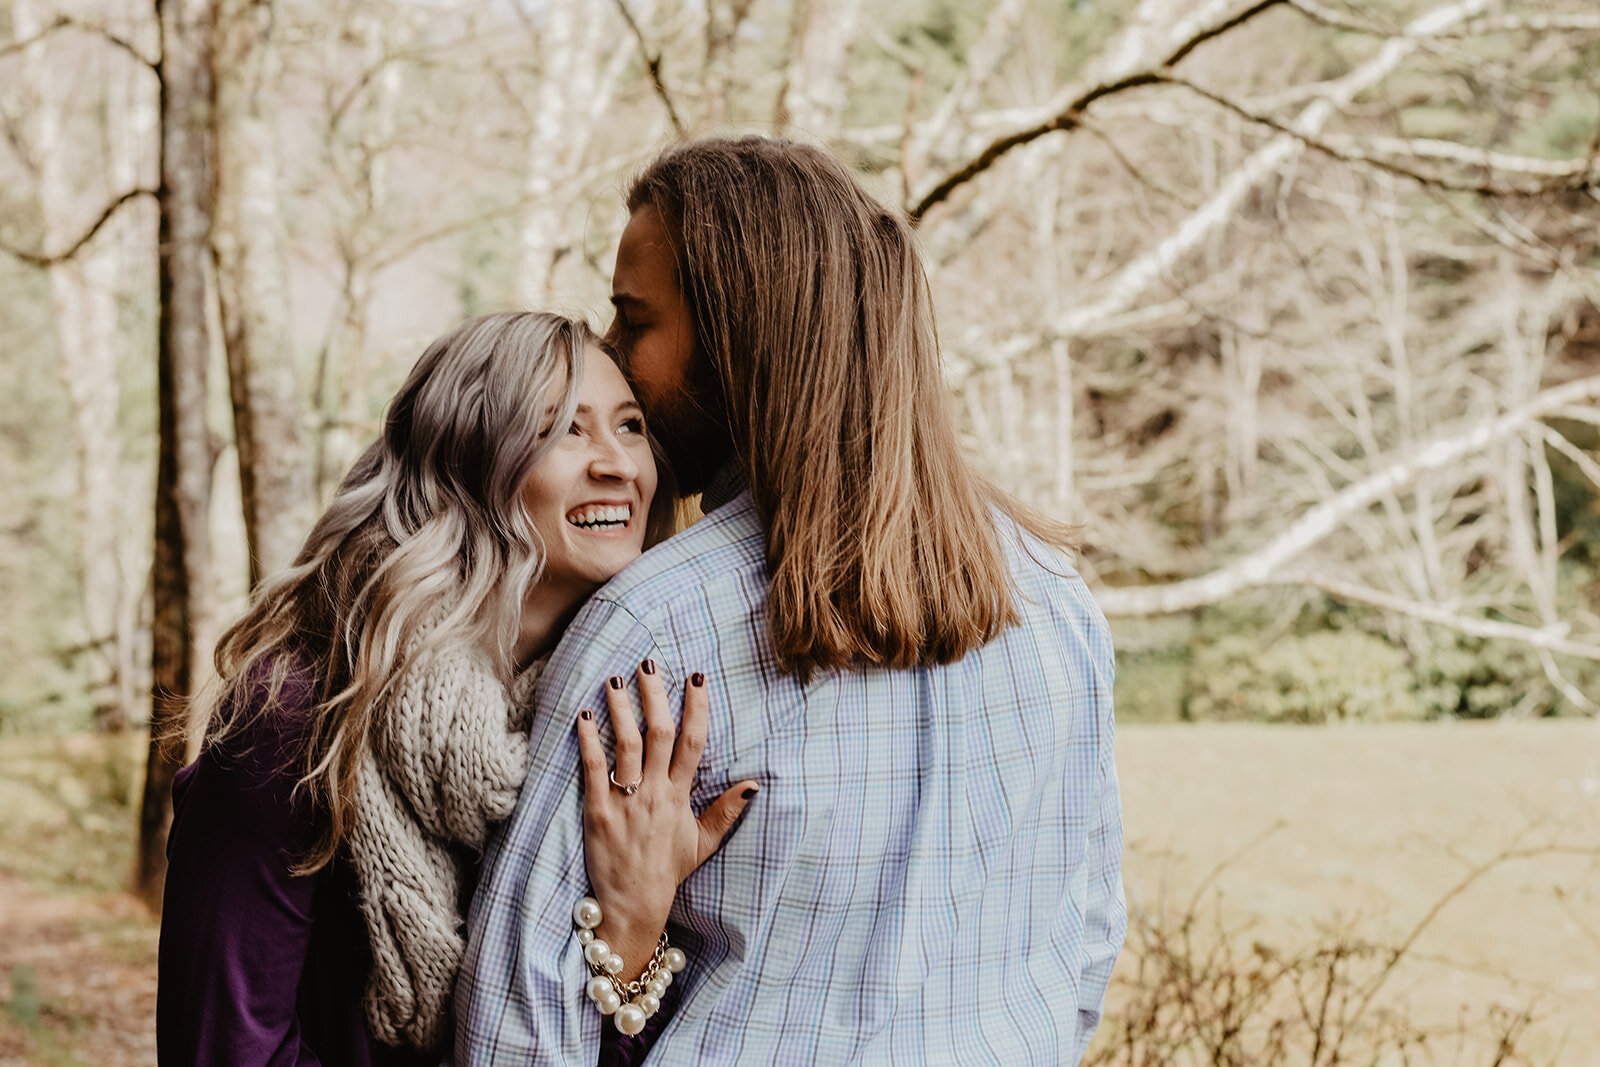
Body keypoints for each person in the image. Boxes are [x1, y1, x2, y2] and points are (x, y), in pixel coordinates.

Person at [457, 137, 1126, 1065]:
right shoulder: (1056, 598)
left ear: (733, 336)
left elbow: (517, 1026)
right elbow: (1086, 944)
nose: (610, 360)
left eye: (633, 322)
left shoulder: (657, 624)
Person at [157, 311, 757, 1066]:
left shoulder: (620, 729)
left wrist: (633, 931)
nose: (618, 464)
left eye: (629, 425)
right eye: (563, 431)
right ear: (468, 464)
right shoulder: (298, 711)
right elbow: (222, 1047)